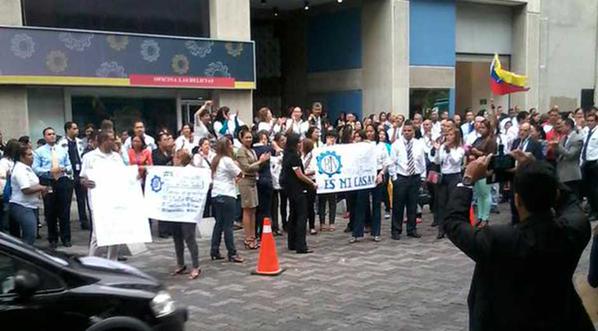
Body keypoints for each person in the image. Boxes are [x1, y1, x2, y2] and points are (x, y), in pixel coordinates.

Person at [443, 152, 594, 331]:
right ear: (554, 195)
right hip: (560, 319)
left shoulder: (500, 239)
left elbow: (454, 223)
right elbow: (570, 201)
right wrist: (538, 171)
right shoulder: (575, 229)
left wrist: (467, 180)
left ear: (517, 200)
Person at [80, 131, 123, 260]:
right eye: (111, 139)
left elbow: (123, 175)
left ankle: (112, 263)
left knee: (115, 234)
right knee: (98, 235)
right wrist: (85, 182)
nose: (114, 142)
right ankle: (92, 263)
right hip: (98, 201)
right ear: (103, 141)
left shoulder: (116, 157)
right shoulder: (89, 157)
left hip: (115, 200)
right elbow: (82, 177)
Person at [32, 127, 73, 249]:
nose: (52, 136)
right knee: (50, 211)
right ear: (45, 136)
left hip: (62, 180)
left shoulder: (62, 150)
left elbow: (69, 165)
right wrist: (49, 171)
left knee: (64, 210)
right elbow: (36, 169)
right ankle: (53, 238)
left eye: (54, 134)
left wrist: (64, 169)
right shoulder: (39, 152)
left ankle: (66, 238)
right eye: (49, 134)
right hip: (48, 181)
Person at [389, 121, 427, 240]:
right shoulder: (396, 144)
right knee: (398, 205)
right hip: (401, 177)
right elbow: (392, 163)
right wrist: (394, 177)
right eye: (405, 130)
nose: (407, 132)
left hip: (414, 177)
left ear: (414, 132)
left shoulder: (418, 144)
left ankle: (412, 229)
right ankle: (396, 230)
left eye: (409, 130)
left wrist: (422, 176)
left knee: (412, 205)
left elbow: (422, 161)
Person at [168, 150, 203, 279]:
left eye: (176, 157)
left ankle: (196, 265)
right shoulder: (173, 171)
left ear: (181, 159)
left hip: (188, 209)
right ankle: (180, 264)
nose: (173, 160)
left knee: (189, 237)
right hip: (176, 209)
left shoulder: (192, 171)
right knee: (177, 236)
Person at [352, 124, 389, 243]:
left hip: (377, 173)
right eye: (367, 131)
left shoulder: (381, 146)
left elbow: (386, 162)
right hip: (364, 174)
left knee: (377, 204)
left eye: (371, 131)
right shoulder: (360, 146)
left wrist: (381, 174)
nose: (369, 133)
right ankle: (357, 233)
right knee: (360, 203)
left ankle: (376, 232)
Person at [210, 138, 245, 263]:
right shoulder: (227, 160)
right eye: (230, 145)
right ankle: (232, 252)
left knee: (219, 223)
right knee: (228, 225)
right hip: (227, 194)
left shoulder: (215, 160)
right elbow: (240, 174)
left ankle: (214, 250)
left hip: (216, 193)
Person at [281, 133, 316, 254]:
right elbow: (299, 174)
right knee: (302, 215)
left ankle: (292, 243)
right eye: (299, 142)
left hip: (290, 189)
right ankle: (301, 245)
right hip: (297, 189)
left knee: (293, 214)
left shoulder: (288, 155)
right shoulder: (293, 157)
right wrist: (311, 183)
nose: (301, 144)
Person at [236, 127, 269, 249]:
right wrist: (260, 162)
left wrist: (260, 163)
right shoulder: (241, 151)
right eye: (246, 137)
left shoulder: (252, 150)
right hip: (246, 181)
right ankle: (248, 237)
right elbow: (246, 167)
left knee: (253, 209)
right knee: (247, 209)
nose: (249, 139)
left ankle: (253, 236)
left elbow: (255, 166)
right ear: (241, 138)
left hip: (253, 180)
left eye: (250, 137)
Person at [9, 144, 49, 245]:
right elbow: (26, 189)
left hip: (32, 205)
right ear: (22, 157)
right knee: (30, 234)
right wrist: (41, 187)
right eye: (29, 155)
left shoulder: (28, 168)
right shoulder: (20, 169)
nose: (32, 157)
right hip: (21, 205)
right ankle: (21, 258)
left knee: (32, 234)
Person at [431, 127, 464, 239]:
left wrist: (449, 150)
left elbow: (455, 161)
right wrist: (437, 150)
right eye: (447, 135)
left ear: (456, 137)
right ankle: (441, 228)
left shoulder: (459, 149)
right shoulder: (442, 147)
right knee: (441, 203)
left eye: (451, 135)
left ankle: (453, 227)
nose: (448, 137)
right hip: (444, 176)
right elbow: (437, 161)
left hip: (454, 176)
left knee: (452, 203)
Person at [58, 121, 89, 230]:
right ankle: (66, 223)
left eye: (77, 128)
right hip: (69, 174)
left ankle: (84, 221)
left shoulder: (79, 142)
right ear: (68, 130)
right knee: (67, 199)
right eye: (74, 128)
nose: (77, 130)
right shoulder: (62, 143)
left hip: (79, 172)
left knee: (82, 199)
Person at [467, 119, 496, 228]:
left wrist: (478, 153)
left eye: (483, 127)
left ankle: (485, 218)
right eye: (480, 127)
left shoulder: (491, 140)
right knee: (479, 194)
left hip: (486, 169)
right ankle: (479, 216)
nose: (481, 129)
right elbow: (471, 149)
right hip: (477, 169)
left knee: (485, 194)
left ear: (488, 129)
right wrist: (470, 151)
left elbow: (491, 155)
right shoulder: (478, 139)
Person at [551, 118, 583, 199]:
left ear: (568, 126)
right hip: (561, 173)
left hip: (571, 174)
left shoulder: (577, 138)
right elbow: (559, 153)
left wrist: (558, 146)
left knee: (573, 198)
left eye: (562, 126)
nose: (560, 128)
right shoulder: (563, 138)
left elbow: (570, 155)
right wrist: (554, 148)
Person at [253, 130, 276, 239]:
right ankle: (264, 231)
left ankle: (255, 232)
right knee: (266, 209)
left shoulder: (251, 150)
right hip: (266, 180)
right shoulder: (267, 149)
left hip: (255, 181)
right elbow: (277, 151)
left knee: (256, 208)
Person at [151, 131, 174, 238]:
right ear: (159, 142)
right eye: (164, 140)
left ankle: (170, 229)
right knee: (162, 206)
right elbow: (159, 162)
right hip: (161, 181)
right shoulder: (155, 152)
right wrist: (171, 157)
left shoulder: (170, 152)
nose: (167, 142)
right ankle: (162, 230)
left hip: (170, 181)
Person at [318, 129, 338, 232]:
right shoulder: (321, 148)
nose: (331, 139)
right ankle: (322, 222)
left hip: (334, 178)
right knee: (322, 201)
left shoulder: (338, 148)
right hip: (323, 178)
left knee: (332, 201)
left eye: (333, 137)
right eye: (329, 137)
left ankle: (332, 222)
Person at [581, 112, 598, 221]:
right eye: (588, 121)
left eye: (592, 121)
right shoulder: (586, 131)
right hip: (586, 162)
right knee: (588, 189)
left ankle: (596, 211)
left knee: (594, 189)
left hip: (595, 162)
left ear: (596, 121)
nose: (589, 123)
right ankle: (591, 209)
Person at [271, 133, 287, 234]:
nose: (284, 142)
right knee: (274, 204)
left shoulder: (287, 151)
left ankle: (285, 223)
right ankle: (275, 226)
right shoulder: (272, 152)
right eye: (281, 140)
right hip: (274, 180)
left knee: (284, 204)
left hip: (284, 180)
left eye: (285, 140)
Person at [301, 138, 317, 235]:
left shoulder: (312, 156)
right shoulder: (301, 156)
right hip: (302, 181)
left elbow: (314, 170)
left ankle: (312, 225)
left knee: (310, 205)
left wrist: (303, 173)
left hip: (311, 181)